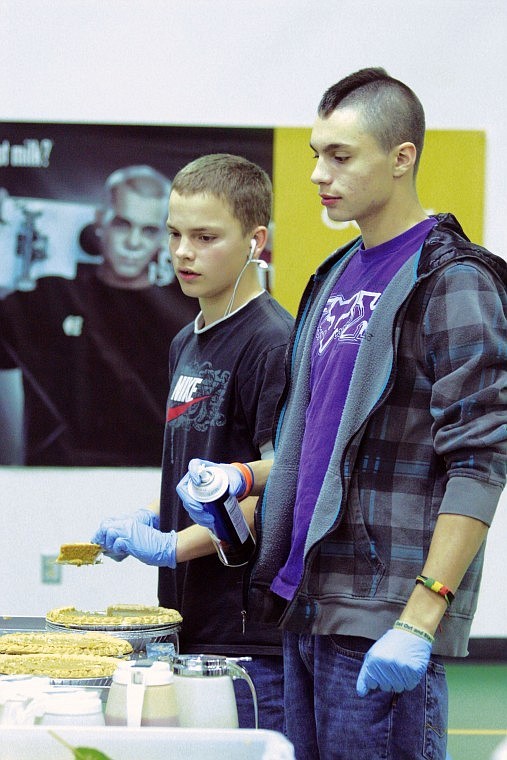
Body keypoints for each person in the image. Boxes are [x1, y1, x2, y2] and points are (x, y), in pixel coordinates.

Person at [176, 69, 507, 758]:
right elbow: (310, 446)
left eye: (340, 155)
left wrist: (420, 619)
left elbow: (479, 459)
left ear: (401, 157)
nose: (318, 174)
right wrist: (239, 496)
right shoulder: (330, 274)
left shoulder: (453, 279)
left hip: (382, 615)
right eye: (314, 154)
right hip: (305, 605)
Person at [91, 154, 294, 731]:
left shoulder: (273, 341)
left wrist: (170, 546)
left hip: (248, 639)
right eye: (175, 234)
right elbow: (205, 470)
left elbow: (274, 486)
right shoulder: (186, 341)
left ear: (256, 241)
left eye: (205, 237)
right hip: (186, 622)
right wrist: (159, 516)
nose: (182, 252)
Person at [0, 165, 197, 466]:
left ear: (164, 237)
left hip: (154, 480)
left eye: (149, 230)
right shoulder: (48, 299)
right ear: (100, 222)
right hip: (58, 479)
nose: (133, 243)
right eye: (122, 224)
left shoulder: (188, 312)